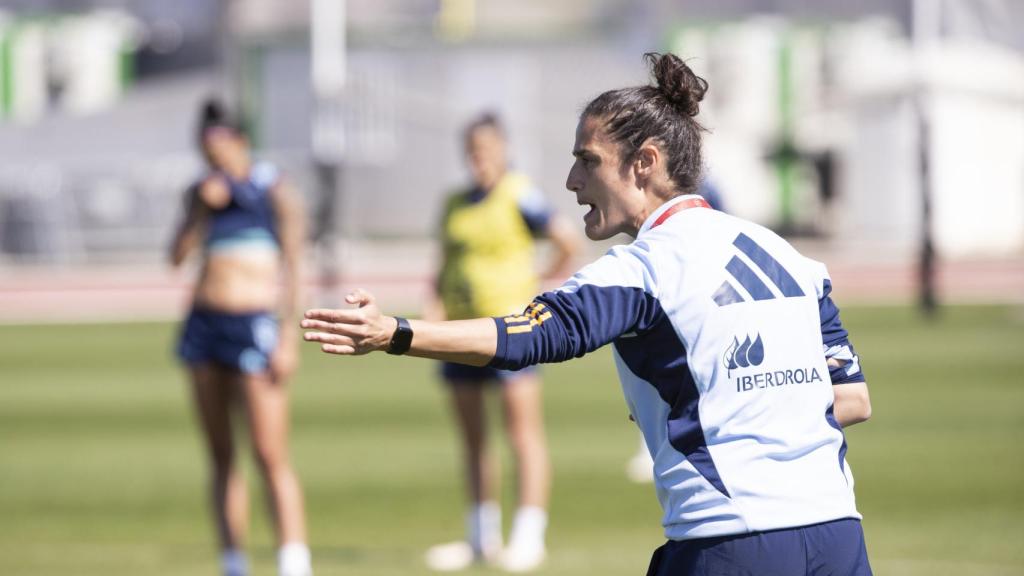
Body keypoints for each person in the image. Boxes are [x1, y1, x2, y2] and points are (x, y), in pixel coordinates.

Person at [301, 52, 873, 575]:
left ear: (644, 163)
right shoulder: (792, 259)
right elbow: (851, 399)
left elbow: (529, 336)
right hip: (839, 535)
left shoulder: (644, 268)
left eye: (587, 161)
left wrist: (395, 332)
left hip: (728, 540)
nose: (572, 182)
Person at [423, 112, 580, 572]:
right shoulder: (454, 202)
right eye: (472, 150)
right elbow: (444, 262)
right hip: (459, 331)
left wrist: (538, 291)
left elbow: (566, 241)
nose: (479, 159)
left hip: (510, 333)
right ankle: (480, 536)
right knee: (473, 438)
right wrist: (434, 302)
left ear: (503, 150)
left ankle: (529, 535)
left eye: (487, 149)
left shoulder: (519, 194)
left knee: (522, 433)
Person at [170, 99, 313, 576]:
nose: (215, 155)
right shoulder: (200, 192)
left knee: (270, 452)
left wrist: (288, 336)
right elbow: (177, 256)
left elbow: (294, 263)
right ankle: (233, 560)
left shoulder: (272, 187)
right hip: (206, 324)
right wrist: (199, 213)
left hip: (255, 322)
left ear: (240, 142)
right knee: (220, 454)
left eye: (222, 144)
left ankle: (293, 561)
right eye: (207, 147)